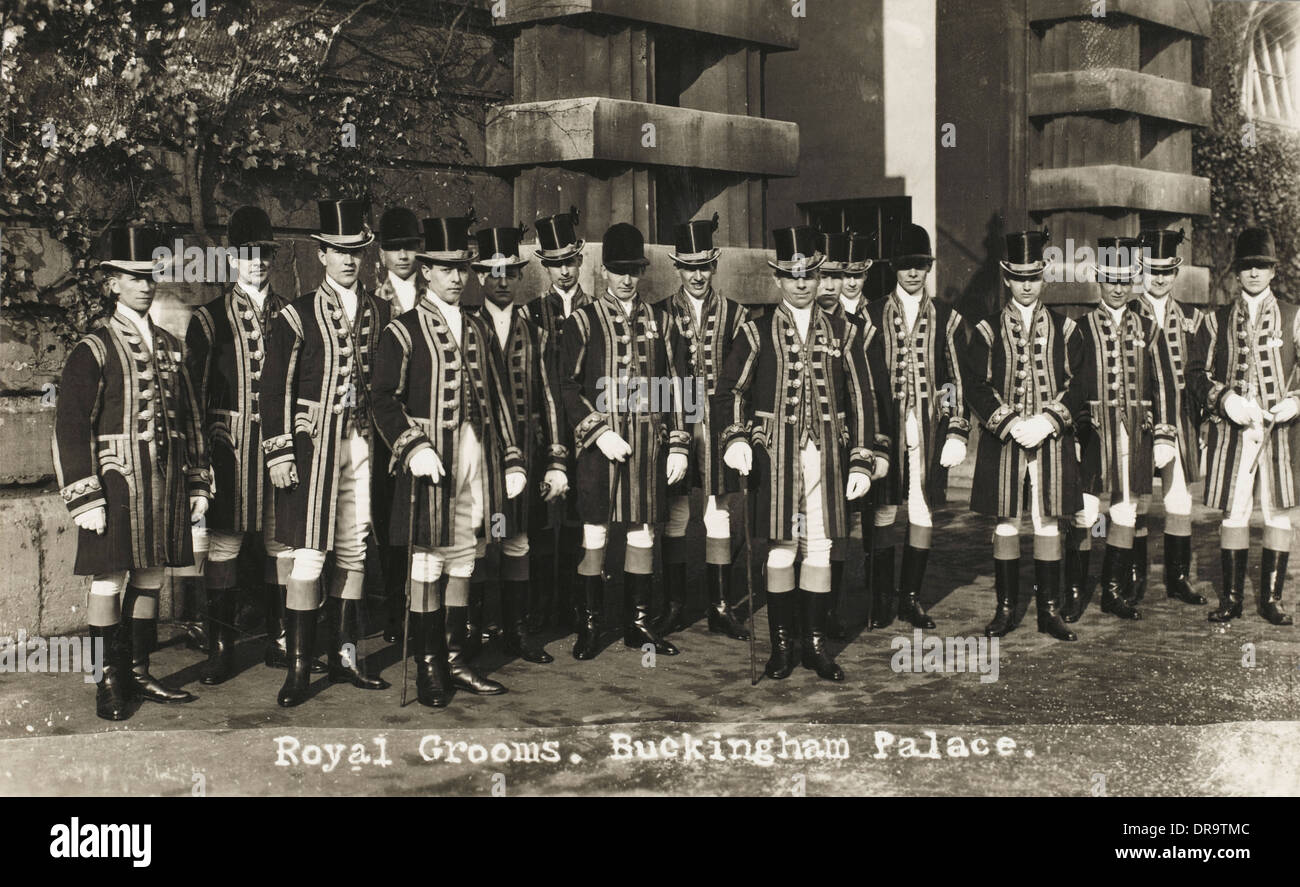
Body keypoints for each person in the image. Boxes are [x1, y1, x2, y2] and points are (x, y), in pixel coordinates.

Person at [53, 224, 211, 720]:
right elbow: (70, 425)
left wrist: (198, 479)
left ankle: (139, 671)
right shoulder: (93, 346)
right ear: (112, 283)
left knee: (150, 576)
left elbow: (191, 418)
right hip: (116, 482)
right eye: (133, 277)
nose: (145, 285)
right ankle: (107, 681)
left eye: (150, 277)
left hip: (163, 482)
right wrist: (84, 496)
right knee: (108, 580)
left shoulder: (169, 343)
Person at [371, 214, 528, 706]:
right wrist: (411, 446)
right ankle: (428, 665)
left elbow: (499, 398)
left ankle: (457, 658)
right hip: (430, 461)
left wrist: (514, 459)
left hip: (475, 458)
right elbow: (381, 398)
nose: (456, 277)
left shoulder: (478, 328)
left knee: (465, 557)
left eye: (461, 268)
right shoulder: (403, 330)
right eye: (445, 268)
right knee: (427, 562)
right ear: (425, 271)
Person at [715, 226, 878, 682]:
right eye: (793, 275)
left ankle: (815, 645)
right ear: (779, 279)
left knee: (822, 548)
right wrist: (737, 438)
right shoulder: (756, 329)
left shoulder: (844, 331)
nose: (802, 283)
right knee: (783, 549)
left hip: (828, 455)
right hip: (776, 456)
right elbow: (730, 390)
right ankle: (782, 647)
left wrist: (862, 456)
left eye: (809, 274)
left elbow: (862, 397)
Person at [260, 198, 392, 707]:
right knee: (310, 552)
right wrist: (279, 452)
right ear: (321, 254)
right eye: (337, 251)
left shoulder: (381, 310)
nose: (347, 259)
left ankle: (346, 654)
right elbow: (275, 390)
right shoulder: (297, 314)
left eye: (356, 250)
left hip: (362, 443)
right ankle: (299, 666)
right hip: (313, 447)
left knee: (355, 547)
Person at [558, 222, 691, 660]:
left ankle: (638, 622)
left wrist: (677, 443)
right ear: (604, 271)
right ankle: (590, 624)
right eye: (618, 271)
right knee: (595, 531)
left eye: (633, 270)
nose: (626, 279)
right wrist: (596, 431)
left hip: (648, 444)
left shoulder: (663, 321)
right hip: (602, 446)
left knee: (642, 532)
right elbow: (566, 387)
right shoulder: (583, 320)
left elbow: (679, 386)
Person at [960, 230, 1081, 640]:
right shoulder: (988, 329)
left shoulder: (1066, 328)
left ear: (1044, 275)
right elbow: (975, 384)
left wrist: (1049, 420)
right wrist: (1010, 422)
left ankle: (1048, 610)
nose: (1027, 284)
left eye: (1034, 276)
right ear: (1006, 278)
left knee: (1048, 521)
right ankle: (1006, 608)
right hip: (1005, 440)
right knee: (1007, 522)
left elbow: (1080, 383)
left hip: (1051, 438)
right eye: (1018, 277)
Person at [863, 223, 970, 630]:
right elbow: (865, 381)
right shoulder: (870, 314)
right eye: (906, 266)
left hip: (929, 428)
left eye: (920, 266)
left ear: (929, 268)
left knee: (922, 510)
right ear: (894, 268)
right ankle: (880, 598)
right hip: (886, 430)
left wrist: (957, 428)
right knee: (884, 509)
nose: (913, 274)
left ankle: (910, 598)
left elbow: (955, 378)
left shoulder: (948, 316)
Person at [469, 223, 567, 665]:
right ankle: (473, 628)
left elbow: (549, 397)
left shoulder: (535, 330)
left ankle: (517, 628)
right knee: (477, 540)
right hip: (479, 454)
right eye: (493, 273)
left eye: (509, 272)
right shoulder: (467, 326)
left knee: (519, 539)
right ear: (478, 277)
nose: (502, 281)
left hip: (525, 451)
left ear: (521, 275)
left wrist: (556, 461)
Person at [1188, 227, 1297, 626]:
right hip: (1232, 432)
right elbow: (1195, 374)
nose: (1253, 274)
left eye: (1261, 267)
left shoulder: (1293, 315)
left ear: (1273, 272)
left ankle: (1271, 600)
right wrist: (1225, 399)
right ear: (1236, 273)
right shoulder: (1214, 319)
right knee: (1234, 513)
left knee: (1277, 513)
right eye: (1247, 267)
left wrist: (1295, 401)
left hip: (1279, 433)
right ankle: (1232, 599)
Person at [1071, 236, 1177, 622]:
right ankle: (1075, 589)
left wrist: (1164, 433)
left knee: (1126, 509)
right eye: (1110, 279)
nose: (1117, 288)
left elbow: (1163, 386)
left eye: (1124, 279)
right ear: (1098, 278)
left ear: (1135, 280)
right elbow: (1072, 386)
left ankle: (1113, 591)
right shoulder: (1079, 327)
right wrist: (1076, 431)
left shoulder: (1149, 328)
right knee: (1084, 510)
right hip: (1093, 433)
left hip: (1136, 432)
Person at [659, 213, 750, 642]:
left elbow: (741, 377)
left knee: (718, 510)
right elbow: (655, 375)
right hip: (674, 419)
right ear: (677, 268)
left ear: (714, 266)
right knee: (675, 511)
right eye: (688, 267)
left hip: (717, 420)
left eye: (703, 266)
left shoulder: (737, 313)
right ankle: (674, 605)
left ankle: (719, 606)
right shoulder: (658, 314)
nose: (696, 275)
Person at [525, 207, 589, 631]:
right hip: (546, 425)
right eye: (554, 264)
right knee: (543, 511)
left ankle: (577, 603)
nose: (563, 271)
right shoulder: (531, 313)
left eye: (569, 262)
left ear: (580, 261)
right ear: (544, 266)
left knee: (582, 514)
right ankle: (540, 604)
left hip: (586, 425)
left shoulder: (597, 309)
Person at [373, 206, 425, 644]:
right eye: (394, 248)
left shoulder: (437, 291)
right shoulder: (372, 298)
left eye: (410, 246)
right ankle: (394, 608)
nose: (403, 255)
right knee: (389, 517)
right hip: (384, 428)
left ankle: (428, 608)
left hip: (429, 423)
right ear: (382, 252)